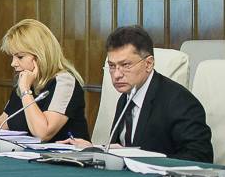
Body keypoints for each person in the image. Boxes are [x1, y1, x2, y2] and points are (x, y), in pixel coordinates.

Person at [65, 25, 212, 162]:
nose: (116, 75)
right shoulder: (125, 98)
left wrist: (144, 159)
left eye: (125, 65)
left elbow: (200, 156)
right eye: (112, 66)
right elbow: (122, 150)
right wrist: (94, 149)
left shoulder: (179, 101)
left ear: (148, 64)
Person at [0, 19, 88, 141]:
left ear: (40, 55)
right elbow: (0, 123)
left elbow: (43, 133)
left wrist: (25, 91)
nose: (13, 63)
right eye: (12, 57)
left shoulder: (64, 82)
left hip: (65, 153)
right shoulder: (26, 81)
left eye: (20, 57)